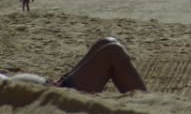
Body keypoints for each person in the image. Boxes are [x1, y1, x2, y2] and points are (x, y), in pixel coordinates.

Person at [0, 37, 147, 94]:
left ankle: (142, 100)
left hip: (55, 86)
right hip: (56, 97)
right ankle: (146, 105)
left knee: (106, 42)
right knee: (113, 50)